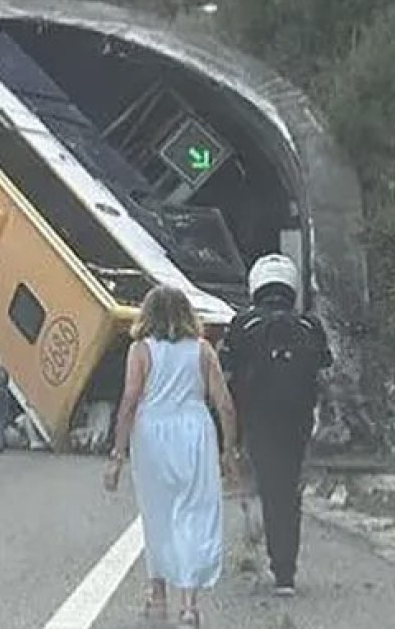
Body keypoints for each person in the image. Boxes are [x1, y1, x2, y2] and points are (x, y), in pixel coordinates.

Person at [105, 286, 239, 628]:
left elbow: (130, 399)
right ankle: (190, 605)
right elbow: (224, 403)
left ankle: (157, 593)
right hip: (195, 431)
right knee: (194, 513)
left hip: (152, 433)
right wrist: (229, 450)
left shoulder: (140, 350)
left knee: (158, 514)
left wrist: (117, 453)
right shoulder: (203, 350)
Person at [219, 254, 333, 597]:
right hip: (297, 419)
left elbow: (226, 370)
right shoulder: (310, 326)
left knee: (271, 486)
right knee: (286, 489)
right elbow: (325, 365)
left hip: (259, 416)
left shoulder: (242, 323)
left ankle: (275, 560)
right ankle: (286, 568)